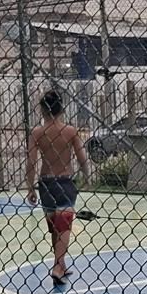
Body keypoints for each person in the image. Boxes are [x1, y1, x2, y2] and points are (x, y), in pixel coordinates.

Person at [24, 90, 89, 284]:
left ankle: (60, 264)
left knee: (55, 226)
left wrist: (30, 187)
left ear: (42, 110)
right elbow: (82, 157)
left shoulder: (37, 133)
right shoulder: (70, 131)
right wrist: (86, 176)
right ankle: (58, 266)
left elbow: (31, 162)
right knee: (64, 225)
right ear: (61, 109)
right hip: (65, 181)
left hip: (46, 183)